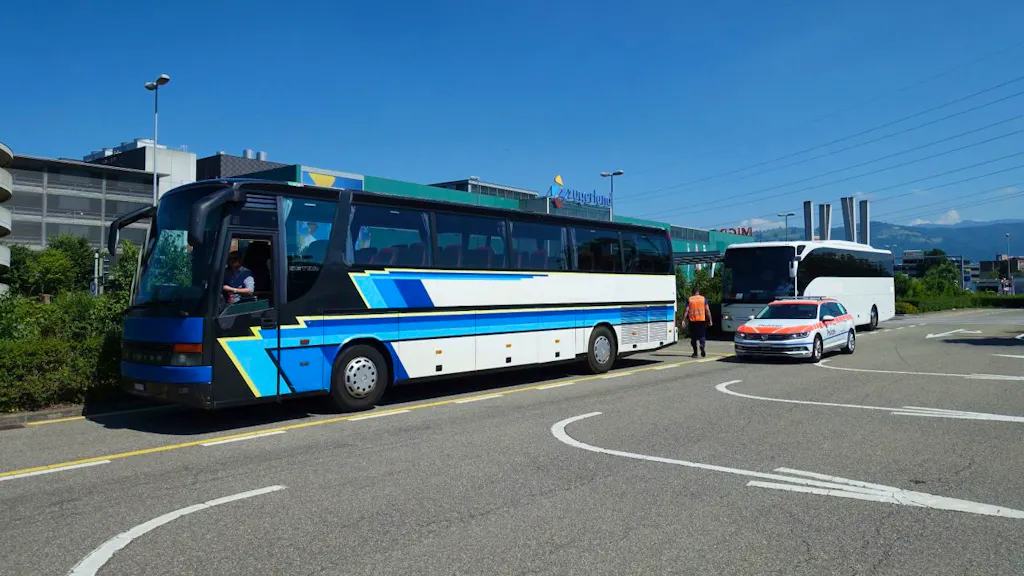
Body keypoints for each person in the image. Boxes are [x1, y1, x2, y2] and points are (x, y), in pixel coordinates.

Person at [684, 287, 712, 358]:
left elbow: (687, 310)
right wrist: (710, 320)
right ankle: (702, 346)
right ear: (698, 292)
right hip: (702, 320)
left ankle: (695, 353)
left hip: (692, 321)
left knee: (693, 337)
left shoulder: (689, 299)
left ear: (692, 292)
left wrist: (683, 320)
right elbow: (707, 310)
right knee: (702, 335)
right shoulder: (703, 299)